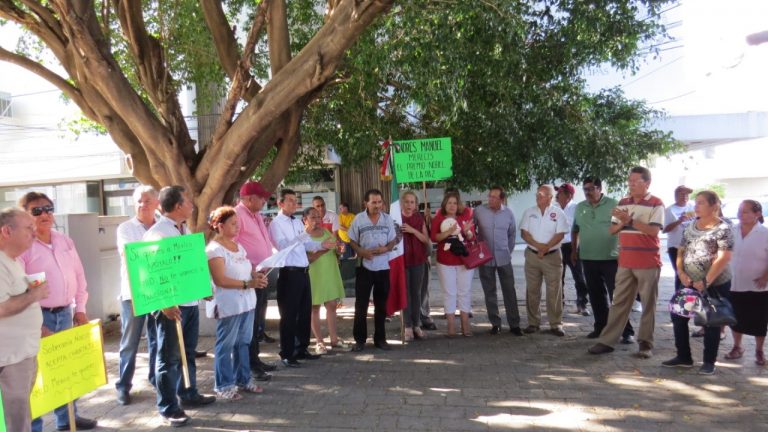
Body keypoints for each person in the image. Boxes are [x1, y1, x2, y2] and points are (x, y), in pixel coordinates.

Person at [18, 192, 98, 431]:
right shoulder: (22, 246)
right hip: (37, 317)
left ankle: (68, 419)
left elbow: (79, 275)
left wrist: (80, 309)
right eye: (37, 210)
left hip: (65, 313)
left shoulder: (64, 240)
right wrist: (35, 325)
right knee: (35, 377)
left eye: (48, 208)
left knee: (64, 369)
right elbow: (20, 289)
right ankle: (34, 426)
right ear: (25, 215)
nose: (45, 214)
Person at [144, 186, 216, 427]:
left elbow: (187, 268)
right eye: (188, 201)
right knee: (168, 358)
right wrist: (163, 303)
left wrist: (201, 289)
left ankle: (188, 393)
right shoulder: (158, 235)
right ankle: (168, 407)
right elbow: (149, 273)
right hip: (171, 306)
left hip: (189, 302)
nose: (192, 205)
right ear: (177, 206)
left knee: (188, 353)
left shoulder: (182, 230)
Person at [589, 166, 664, 359]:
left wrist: (629, 220)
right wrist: (623, 222)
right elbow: (613, 230)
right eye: (629, 181)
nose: (630, 184)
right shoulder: (623, 202)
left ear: (647, 183)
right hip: (625, 261)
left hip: (648, 262)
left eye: (635, 181)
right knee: (619, 302)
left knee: (648, 305)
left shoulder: (656, 203)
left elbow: (653, 231)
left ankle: (645, 344)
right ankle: (607, 341)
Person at [662, 191, 733, 375]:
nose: (695, 206)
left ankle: (709, 361)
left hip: (715, 284)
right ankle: (684, 357)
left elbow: (724, 257)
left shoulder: (723, 228)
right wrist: (681, 272)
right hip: (689, 281)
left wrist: (706, 280)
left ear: (713, 206)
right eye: (696, 202)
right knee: (678, 316)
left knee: (710, 321)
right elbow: (680, 251)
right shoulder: (691, 225)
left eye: (700, 202)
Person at [268, 189, 336, 367]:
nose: (293, 203)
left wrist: (322, 244)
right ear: (280, 203)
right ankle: (287, 353)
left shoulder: (297, 222)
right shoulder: (276, 224)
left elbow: (306, 243)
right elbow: (283, 246)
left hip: (304, 271)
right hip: (289, 273)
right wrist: (305, 232)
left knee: (304, 312)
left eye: (295, 200)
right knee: (289, 315)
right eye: (289, 200)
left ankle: (302, 348)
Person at [206, 206, 268, 400]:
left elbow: (246, 268)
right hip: (228, 304)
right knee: (226, 345)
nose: (237, 227)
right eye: (233, 224)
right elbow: (220, 280)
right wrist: (247, 283)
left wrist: (255, 275)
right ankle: (223, 384)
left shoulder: (238, 246)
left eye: (238, 223)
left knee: (243, 342)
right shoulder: (214, 249)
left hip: (247, 302)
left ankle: (243, 379)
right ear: (220, 226)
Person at [0, 208, 48, 432]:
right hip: (9, 361)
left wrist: (38, 326)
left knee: (22, 419)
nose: (35, 232)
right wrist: (34, 295)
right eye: (29, 228)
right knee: (15, 424)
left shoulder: (13, 260)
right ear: (6, 231)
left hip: (22, 355)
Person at [572, 178, 634, 342]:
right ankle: (600, 327)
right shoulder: (580, 207)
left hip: (610, 258)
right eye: (585, 189)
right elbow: (575, 229)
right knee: (595, 295)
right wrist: (573, 251)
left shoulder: (614, 204)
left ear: (600, 188)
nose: (587, 192)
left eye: (591, 189)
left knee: (618, 296)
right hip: (588, 257)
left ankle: (626, 331)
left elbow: (624, 227)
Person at [115, 186, 160, 406]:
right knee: (129, 343)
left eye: (147, 201)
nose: (143, 205)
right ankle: (123, 386)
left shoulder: (164, 226)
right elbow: (131, 255)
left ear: (157, 203)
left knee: (157, 339)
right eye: (139, 201)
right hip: (132, 294)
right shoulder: (125, 228)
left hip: (159, 292)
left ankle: (155, 378)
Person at [234, 180, 277, 381]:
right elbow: (231, 246)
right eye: (261, 198)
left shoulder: (256, 215)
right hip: (249, 277)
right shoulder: (237, 215)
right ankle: (251, 365)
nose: (264, 201)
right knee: (249, 325)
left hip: (262, 274)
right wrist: (250, 269)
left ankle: (256, 360)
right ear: (249, 199)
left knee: (257, 321)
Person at [349, 189, 398, 351]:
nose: (377, 205)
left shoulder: (387, 219)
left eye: (379, 202)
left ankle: (380, 339)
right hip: (364, 267)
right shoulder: (358, 219)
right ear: (366, 203)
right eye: (373, 202)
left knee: (381, 305)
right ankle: (360, 340)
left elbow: (393, 240)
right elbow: (352, 240)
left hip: (383, 267)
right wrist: (360, 251)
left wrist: (386, 248)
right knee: (361, 305)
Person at [520, 185, 569, 336]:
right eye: (537, 194)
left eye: (541, 194)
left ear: (550, 197)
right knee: (532, 290)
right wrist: (538, 246)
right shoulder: (529, 212)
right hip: (532, 255)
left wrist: (546, 247)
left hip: (552, 256)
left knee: (554, 290)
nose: (538, 196)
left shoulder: (558, 213)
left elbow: (560, 234)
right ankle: (533, 323)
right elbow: (524, 233)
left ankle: (556, 324)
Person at [473, 186, 522, 336]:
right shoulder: (479, 211)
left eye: (494, 197)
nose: (490, 199)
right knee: (489, 292)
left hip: (504, 259)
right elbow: (470, 230)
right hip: (485, 258)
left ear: (502, 199)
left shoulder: (508, 213)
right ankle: (495, 323)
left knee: (509, 291)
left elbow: (512, 234)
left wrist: (508, 251)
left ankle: (514, 324)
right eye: (489, 196)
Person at [724, 200, 768, 366]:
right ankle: (737, 346)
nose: (740, 215)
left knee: (759, 319)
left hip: (758, 285)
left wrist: (765, 276)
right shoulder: (731, 230)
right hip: (734, 282)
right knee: (735, 317)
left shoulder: (764, 233)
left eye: (745, 211)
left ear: (757, 214)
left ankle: (759, 350)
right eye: (740, 211)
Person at [431, 191, 476, 337]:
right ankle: (451, 326)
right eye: (449, 203)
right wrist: (448, 232)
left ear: (458, 205)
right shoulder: (438, 218)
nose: (452, 205)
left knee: (464, 291)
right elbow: (434, 237)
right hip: (445, 261)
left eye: (455, 203)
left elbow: (471, 237)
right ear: (445, 204)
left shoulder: (466, 215)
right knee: (449, 293)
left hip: (464, 260)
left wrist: (467, 232)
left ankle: (465, 324)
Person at [303, 207, 347, 353]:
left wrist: (339, 250)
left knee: (332, 305)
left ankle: (334, 339)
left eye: (318, 217)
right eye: (313, 217)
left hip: (330, 273)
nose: (317, 220)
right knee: (314, 308)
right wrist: (325, 248)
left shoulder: (327, 231)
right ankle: (319, 341)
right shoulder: (303, 236)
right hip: (314, 274)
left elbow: (335, 249)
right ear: (305, 220)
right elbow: (308, 259)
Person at [399, 191, 430, 340]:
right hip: (403, 261)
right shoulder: (397, 218)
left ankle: (417, 324)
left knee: (416, 293)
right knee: (406, 294)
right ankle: (408, 326)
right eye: (407, 202)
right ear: (402, 203)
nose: (409, 205)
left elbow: (426, 239)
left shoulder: (419, 218)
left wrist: (412, 230)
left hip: (418, 259)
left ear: (416, 204)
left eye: (412, 202)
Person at [556, 183, 590, 316]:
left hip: (573, 246)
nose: (557, 195)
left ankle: (582, 303)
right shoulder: (554, 208)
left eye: (560, 193)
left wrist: (576, 248)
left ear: (568, 196)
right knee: (558, 277)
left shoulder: (577, 208)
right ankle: (559, 304)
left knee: (579, 277)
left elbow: (581, 229)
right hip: (557, 246)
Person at [663, 186, 695, 291]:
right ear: (676, 196)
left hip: (693, 246)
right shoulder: (669, 210)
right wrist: (679, 221)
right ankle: (679, 299)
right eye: (682, 194)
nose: (685, 197)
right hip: (676, 246)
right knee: (680, 273)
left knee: (692, 273)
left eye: (687, 195)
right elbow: (665, 229)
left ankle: (692, 298)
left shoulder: (693, 207)